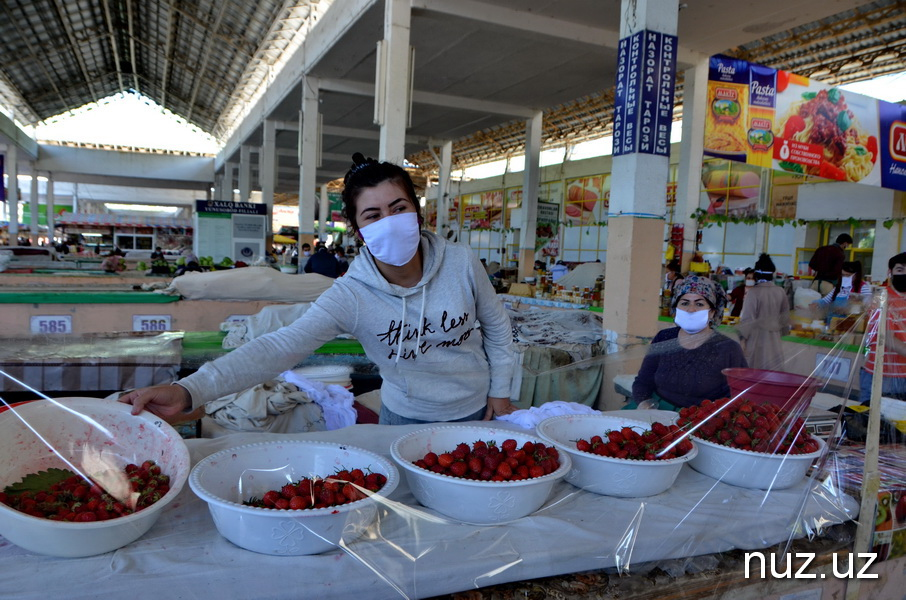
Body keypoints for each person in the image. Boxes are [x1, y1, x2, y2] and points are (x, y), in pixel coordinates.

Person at [120, 152, 517, 425]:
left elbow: (498, 328)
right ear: (359, 231)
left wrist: (500, 392)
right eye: (374, 214)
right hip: (404, 419)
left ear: (417, 210)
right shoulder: (352, 295)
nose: (390, 221)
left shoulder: (461, 262)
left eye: (398, 208)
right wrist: (188, 389)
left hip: (477, 409)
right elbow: (278, 347)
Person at [631, 276, 747, 410]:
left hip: (702, 421)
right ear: (676, 309)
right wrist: (644, 403)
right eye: (685, 303)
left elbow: (738, 396)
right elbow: (643, 381)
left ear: (712, 313)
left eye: (699, 304)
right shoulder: (664, 338)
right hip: (658, 413)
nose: (691, 309)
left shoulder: (728, 348)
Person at [860, 252, 906, 404]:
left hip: (902, 377)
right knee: (878, 425)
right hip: (885, 378)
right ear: (890, 272)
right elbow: (885, 337)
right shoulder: (882, 300)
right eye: (900, 270)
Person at [736, 253, 791, 370]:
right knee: (773, 377)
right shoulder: (780, 291)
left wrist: (742, 339)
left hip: (756, 342)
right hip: (775, 343)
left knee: (755, 377)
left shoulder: (754, 292)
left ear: (756, 274)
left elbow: (747, 321)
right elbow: (785, 320)